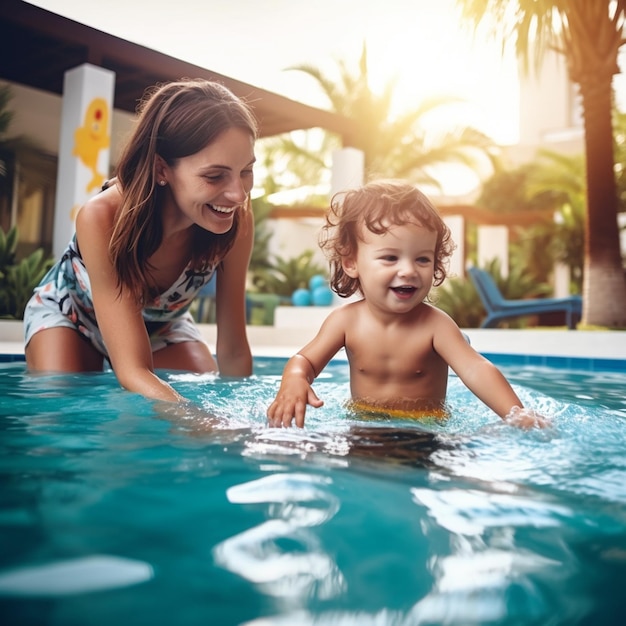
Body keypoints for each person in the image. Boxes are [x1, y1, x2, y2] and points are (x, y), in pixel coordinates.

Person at [24, 79, 257, 404]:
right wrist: (199, 422)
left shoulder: (237, 223)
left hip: (161, 326)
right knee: (63, 401)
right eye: (215, 176)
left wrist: (247, 422)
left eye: (246, 171)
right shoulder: (102, 217)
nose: (238, 194)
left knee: (203, 390)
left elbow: (232, 350)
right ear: (162, 169)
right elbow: (132, 370)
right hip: (73, 316)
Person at [267, 180, 548, 429]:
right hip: (365, 426)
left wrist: (516, 413)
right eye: (390, 258)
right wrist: (294, 378)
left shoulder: (435, 326)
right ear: (351, 262)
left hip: (425, 430)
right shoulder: (345, 322)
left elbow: (475, 369)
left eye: (422, 259)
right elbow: (306, 360)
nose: (409, 270)